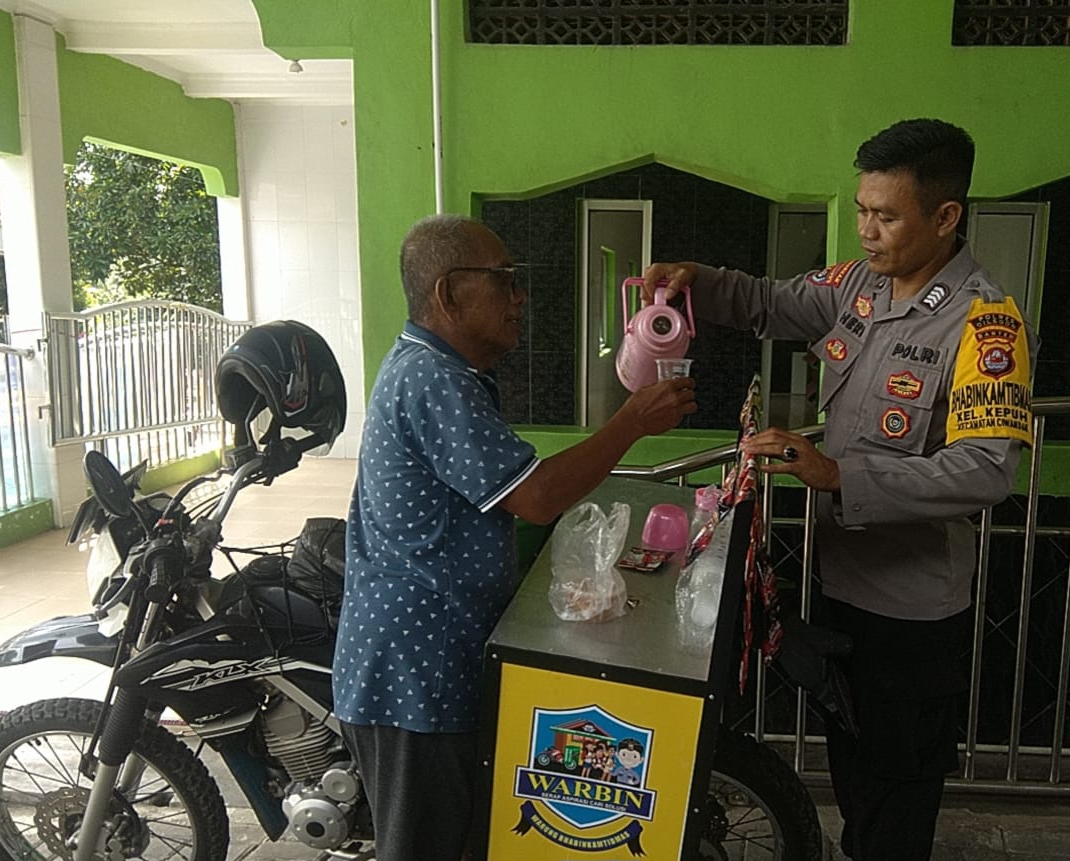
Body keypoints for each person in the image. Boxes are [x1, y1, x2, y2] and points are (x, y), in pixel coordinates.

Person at [643, 118, 1037, 861]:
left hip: (911, 616)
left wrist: (837, 474)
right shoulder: (861, 285)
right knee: (853, 774)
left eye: (885, 216)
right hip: (840, 584)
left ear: (945, 216)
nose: (865, 230)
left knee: (895, 796)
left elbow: (986, 470)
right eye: (861, 210)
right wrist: (696, 279)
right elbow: (772, 302)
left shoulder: (986, 324)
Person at [331, 214, 697, 861]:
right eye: (504, 280)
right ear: (449, 293)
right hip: (416, 676)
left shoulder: (448, 372)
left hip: (436, 663)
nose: (520, 297)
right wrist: (631, 422)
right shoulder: (432, 379)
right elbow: (537, 496)